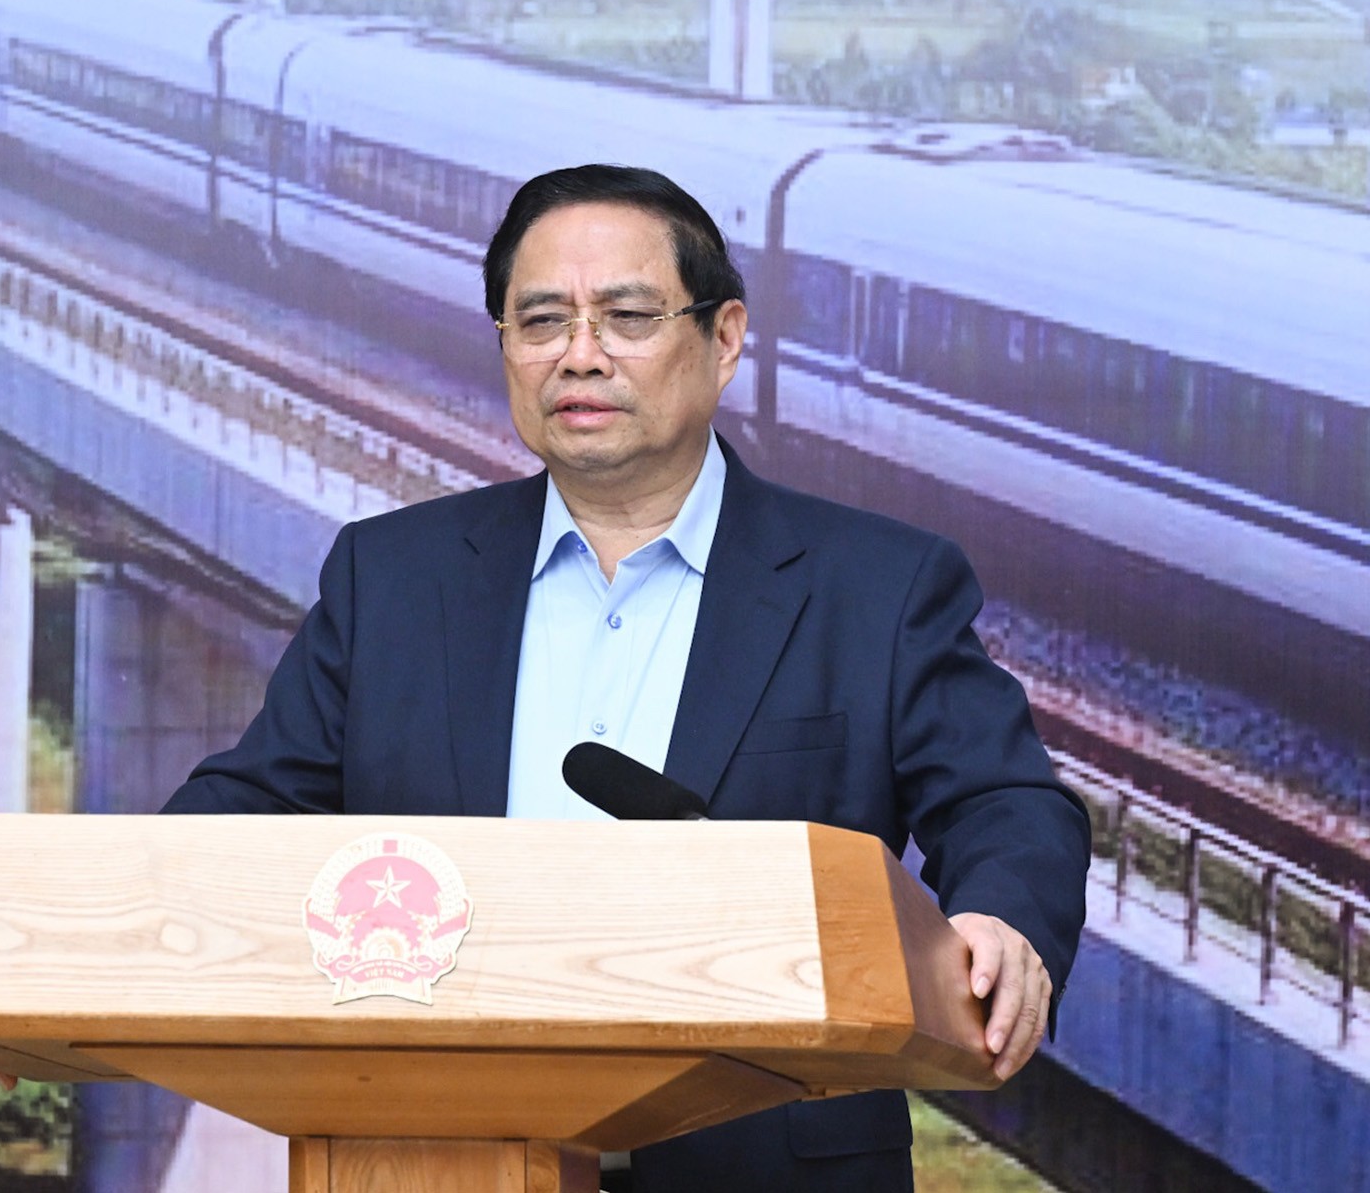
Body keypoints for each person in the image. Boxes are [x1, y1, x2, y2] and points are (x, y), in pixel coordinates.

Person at [160, 164, 1091, 1192]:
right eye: (541, 320)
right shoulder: (390, 577)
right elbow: (246, 809)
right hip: (437, 1153)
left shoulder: (875, 585)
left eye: (628, 317)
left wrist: (1005, 918)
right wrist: (134, 893)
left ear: (724, 338)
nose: (580, 354)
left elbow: (1007, 802)